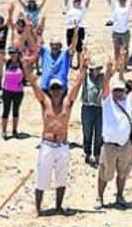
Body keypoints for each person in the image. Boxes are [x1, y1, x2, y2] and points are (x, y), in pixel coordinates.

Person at [22, 46, 89, 216]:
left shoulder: (67, 103)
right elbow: (34, 84)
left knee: (61, 177)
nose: (57, 92)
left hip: (63, 146)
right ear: (50, 91)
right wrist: (26, 68)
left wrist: (83, 67)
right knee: (42, 177)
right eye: (54, 89)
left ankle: (59, 206)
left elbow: (77, 84)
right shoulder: (45, 102)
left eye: (59, 88)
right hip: (47, 145)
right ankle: (38, 209)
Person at [95, 49, 132, 209]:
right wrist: (108, 72)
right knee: (104, 174)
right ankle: (99, 198)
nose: (118, 93)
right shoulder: (107, 102)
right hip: (109, 146)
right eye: (116, 90)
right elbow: (105, 85)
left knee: (122, 174)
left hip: (125, 145)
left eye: (121, 90)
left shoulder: (128, 101)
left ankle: (120, 196)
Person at [25, 24, 79, 92]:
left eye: (57, 45)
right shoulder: (45, 52)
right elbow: (33, 42)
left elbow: (73, 45)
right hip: (46, 88)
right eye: (52, 45)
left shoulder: (65, 54)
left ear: (60, 46)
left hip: (61, 89)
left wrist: (75, 32)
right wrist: (29, 30)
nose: (54, 47)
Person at [103, 0, 132, 66]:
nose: (122, 0)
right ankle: (117, 65)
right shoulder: (115, 6)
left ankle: (125, 65)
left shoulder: (128, 6)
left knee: (125, 50)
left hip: (125, 32)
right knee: (116, 50)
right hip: (116, 32)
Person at [80, 60, 104, 166]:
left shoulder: (102, 78)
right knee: (87, 132)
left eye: (99, 68)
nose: (98, 70)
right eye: (96, 68)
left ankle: (97, 155)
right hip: (87, 107)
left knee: (99, 134)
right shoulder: (85, 77)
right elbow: (81, 69)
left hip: (100, 108)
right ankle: (87, 153)